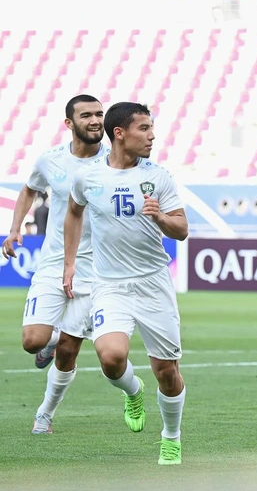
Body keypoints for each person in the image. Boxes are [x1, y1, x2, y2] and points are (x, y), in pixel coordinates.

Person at [63, 102, 188, 465]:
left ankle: (171, 437)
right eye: (144, 129)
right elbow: (74, 213)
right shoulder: (87, 177)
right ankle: (133, 391)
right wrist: (70, 264)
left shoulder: (159, 176)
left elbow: (181, 230)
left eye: (152, 129)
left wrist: (161, 217)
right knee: (111, 358)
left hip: (152, 285)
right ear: (120, 133)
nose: (152, 136)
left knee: (167, 371)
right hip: (109, 286)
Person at [1, 94, 107, 434]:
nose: (95, 120)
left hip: (96, 269)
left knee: (67, 353)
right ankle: (54, 334)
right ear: (69, 123)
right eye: (87, 115)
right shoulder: (51, 160)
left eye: (99, 114)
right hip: (52, 262)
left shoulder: (117, 161)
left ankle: (45, 414)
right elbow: (29, 189)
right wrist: (16, 228)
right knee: (33, 340)